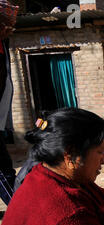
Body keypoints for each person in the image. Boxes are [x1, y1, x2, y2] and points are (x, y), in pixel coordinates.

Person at [0, 0, 19, 206]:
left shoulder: (2, 45)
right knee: (2, 169)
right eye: (6, 25)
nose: (10, 30)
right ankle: (20, 208)